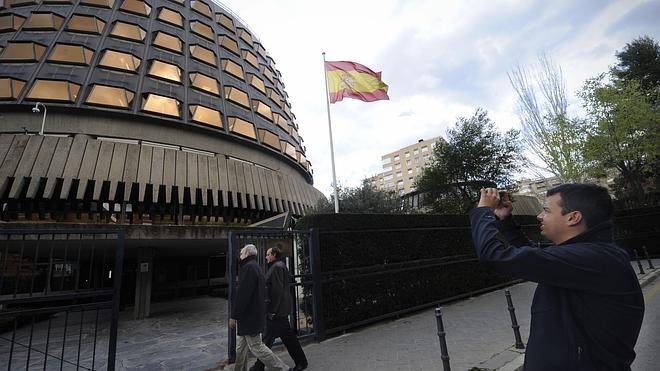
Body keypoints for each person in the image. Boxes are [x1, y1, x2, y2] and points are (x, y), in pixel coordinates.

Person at [469, 184, 644, 370]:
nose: (539, 216)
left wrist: (484, 211)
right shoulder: (590, 254)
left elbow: (496, 257)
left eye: (546, 210)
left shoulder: (592, 258)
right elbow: (535, 256)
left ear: (573, 217)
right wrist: (505, 221)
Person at [229, 244, 291, 371]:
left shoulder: (249, 268)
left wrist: (234, 315)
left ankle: (283, 368)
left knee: (257, 346)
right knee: (241, 348)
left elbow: (243, 295)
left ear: (247, 253)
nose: (240, 256)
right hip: (252, 315)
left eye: (241, 253)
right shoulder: (254, 267)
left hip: (250, 316)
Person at [251, 246, 308, 371]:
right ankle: (259, 365)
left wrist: (272, 311)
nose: (266, 257)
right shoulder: (279, 265)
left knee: (279, 339)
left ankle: (301, 362)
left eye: (268, 254)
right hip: (279, 310)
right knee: (270, 339)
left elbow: (277, 291)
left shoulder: (276, 267)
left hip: (277, 311)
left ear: (274, 255)